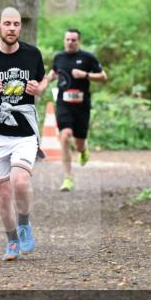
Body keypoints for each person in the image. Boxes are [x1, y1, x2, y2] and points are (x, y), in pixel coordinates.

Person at [0, 7, 50, 261]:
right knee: (1, 193)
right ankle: (12, 240)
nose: (12, 28)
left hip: (24, 131)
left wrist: (39, 89)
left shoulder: (32, 54)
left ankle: (24, 223)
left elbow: (43, 81)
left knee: (20, 181)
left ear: (20, 27)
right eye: (7, 23)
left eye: (16, 24)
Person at [48, 28, 107, 191]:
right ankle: (67, 178)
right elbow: (54, 72)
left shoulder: (87, 58)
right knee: (65, 136)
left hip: (82, 105)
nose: (70, 42)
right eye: (67, 39)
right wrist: (47, 78)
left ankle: (83, 150)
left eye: (73, 40)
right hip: (63, 103)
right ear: (64, 40)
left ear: (78, 41)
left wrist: (86, 75)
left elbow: (103, 77)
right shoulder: (59, 57)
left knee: (79, 144)